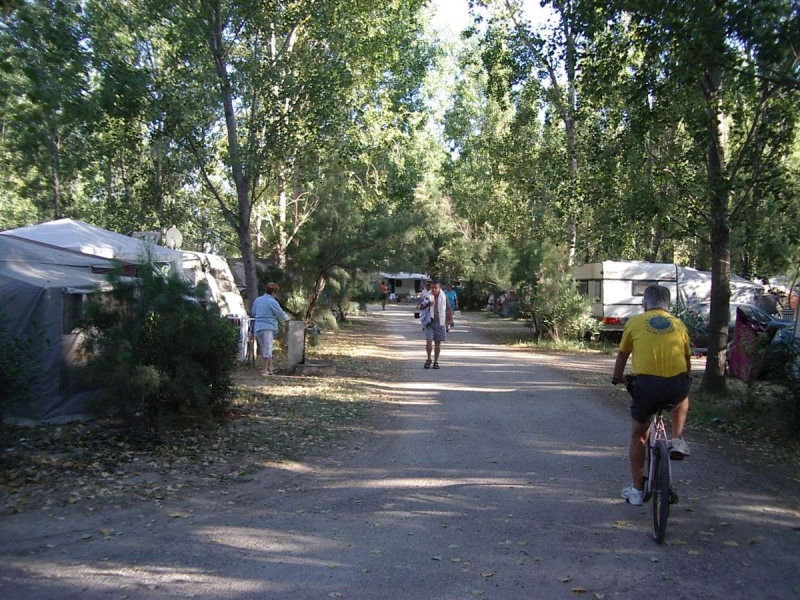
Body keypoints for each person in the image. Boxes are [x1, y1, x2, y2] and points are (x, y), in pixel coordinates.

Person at [611, 284, 692, 506]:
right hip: (677, 385)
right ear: (667, 306)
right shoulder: (678, 324)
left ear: (644, 304)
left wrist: (617, 377)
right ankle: (676, 440)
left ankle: (637, 491)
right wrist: (684, 380)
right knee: (683, 394)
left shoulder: (635, 322)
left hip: (646, 386)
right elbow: (686, 362)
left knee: (639, 435)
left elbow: (623, 355)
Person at [251, 282, 290, 376]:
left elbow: (253, 311)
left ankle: (270, 367)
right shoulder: (273, 301)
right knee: (267, 349)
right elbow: (280, 314)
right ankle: (264, 370)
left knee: (265, 347)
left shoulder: (258, 300)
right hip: (268, 327)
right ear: (274, 292)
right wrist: (288, 318)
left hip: (258, 327)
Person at [423, 280, 453, 370]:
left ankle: (436, 361)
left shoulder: (444, 296)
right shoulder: (427, 296)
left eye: (436, 288)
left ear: (439, 288)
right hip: (429, 321)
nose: (434, 289)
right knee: (429, 341)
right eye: (432, 288)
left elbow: (448, 308)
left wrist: (450, 319)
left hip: (440, 322)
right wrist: (428, 304)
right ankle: (428, 359)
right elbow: (421, 307)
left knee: (437, 343)